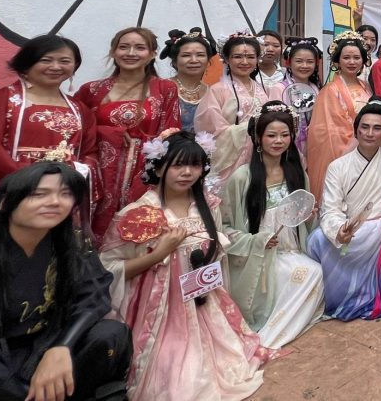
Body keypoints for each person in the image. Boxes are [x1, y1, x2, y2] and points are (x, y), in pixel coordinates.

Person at [100, 131, 273, 400]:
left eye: (194, 165)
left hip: (205, 304)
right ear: (157, 167)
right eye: (178, 165)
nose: (187, 173)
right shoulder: (138, 214)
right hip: (159, 313)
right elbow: (108, 267)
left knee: (230, 362)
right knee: (182, 384)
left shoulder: (207, 206)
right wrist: (158, 255)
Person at [0, 163, 130, 401]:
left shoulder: (72, 249)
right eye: (39, 194)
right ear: (4, 203)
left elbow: (94, 296)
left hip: (48, 346)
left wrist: (61, 346)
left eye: (66, 194)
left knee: (110, 333)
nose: (55, 202)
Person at [307, 102, 381, 320]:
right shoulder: (338, 166)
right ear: (356, 129)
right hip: (355, 230)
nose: (370, 133)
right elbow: (330, 208)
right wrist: (339, 230)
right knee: (316, 240)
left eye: (377, 128)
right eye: (365, 127)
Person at [221, 102, 324, 347]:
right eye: (271, 135)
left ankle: (276, 331)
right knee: (304, 275)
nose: (278, 141)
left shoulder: (297, 174)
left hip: (291, 251)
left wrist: (310, 218)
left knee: (316, 273)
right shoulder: (242, 178)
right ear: (258, 138)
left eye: (284, 135)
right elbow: (224, 229)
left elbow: (304, 222)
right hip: (257, 257)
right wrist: (257, 240)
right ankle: (268, 335)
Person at [0, 35, 98, 238]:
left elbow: (89, 152)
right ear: (27, 62)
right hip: (16, 189)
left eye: (65, 61)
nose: (56, 67)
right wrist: (26, 178)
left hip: (60, 194)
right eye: (46, 60)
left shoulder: (80, 110)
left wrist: (75, 171)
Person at [75, 27, 181, 244]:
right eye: (123, 47)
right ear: (113, 52)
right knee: (91, 237)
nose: (130, 53)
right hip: (100, 174)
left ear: (152, 54)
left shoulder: (165, 88)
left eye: (140, 47)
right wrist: (103, 131)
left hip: (144, 173)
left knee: (139, 235)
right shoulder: (92, 90)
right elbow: (76, 128)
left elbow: (171, 132)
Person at [194, 33, 279, 181]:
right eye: (238, 56)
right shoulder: (218, 90)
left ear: (258, 59)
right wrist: (249, 128)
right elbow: (211, 130)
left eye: (251, 57)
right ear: (226, 59)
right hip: (230, 160)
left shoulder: (263, 89)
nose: (245, 62)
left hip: (260, 155)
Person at [306, 31, 377, 201]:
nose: (352, 62)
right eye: (346, 58)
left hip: (372, 149)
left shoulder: (366, 86)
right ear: (337, 60)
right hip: (347, 155)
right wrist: (357, 145)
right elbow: (327, 133)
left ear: (363, 60)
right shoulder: (330, 91)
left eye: (356, 57)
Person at [162, 29, 213, 132]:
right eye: (186, 55)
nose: (194, 60)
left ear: (208, 60)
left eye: (200, 55)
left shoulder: (213, 92)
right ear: (175, 61)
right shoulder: (162, 89)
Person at [280, 37, 323, 158]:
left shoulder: (316, 88)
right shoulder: (279, 88)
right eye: (299, 61)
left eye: (310, 61)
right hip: (287, 146)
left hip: (313, 145)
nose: (304, 65)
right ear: (288, 62)